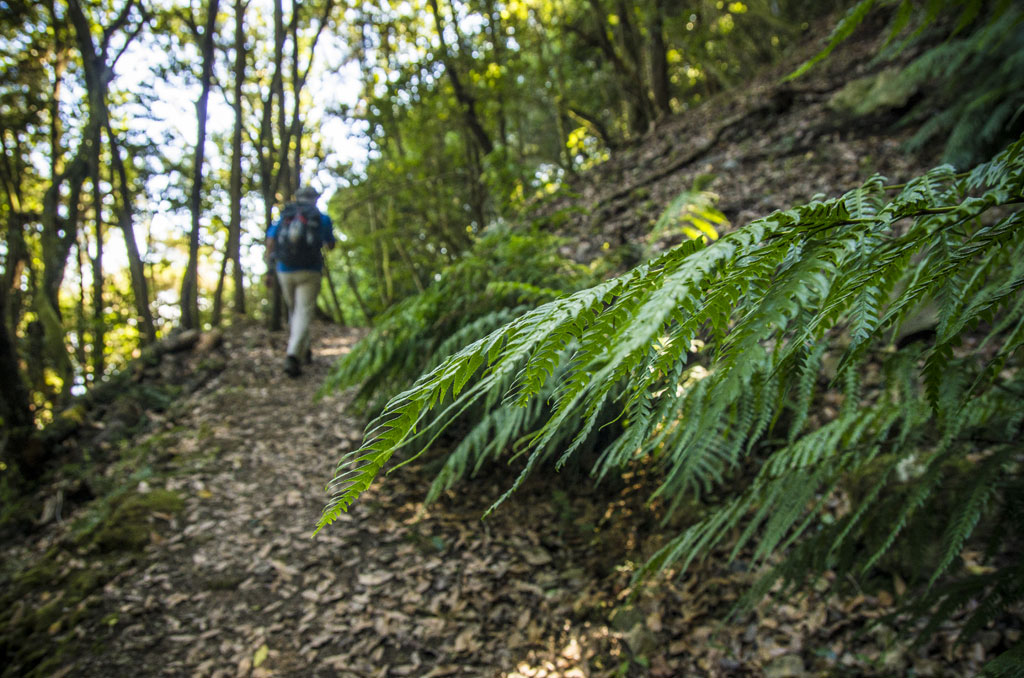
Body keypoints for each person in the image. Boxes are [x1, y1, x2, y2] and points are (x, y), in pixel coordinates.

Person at [265, 185, 336, 377]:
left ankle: (302, 350)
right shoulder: (321, 218)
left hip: (284, 270)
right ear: (314, 199)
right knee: (303, 312)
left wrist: (269, 271)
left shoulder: (284, 217)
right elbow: (330, 244)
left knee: (294, 311)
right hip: (310, 270)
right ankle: (293, 355)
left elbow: (271, 242)